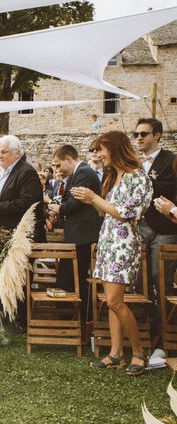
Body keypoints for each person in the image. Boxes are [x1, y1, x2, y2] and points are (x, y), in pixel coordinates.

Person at [72, 130, 153, 376]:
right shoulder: (113, 176)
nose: (97, 155)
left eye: (101, 149)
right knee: (110, 302)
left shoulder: (136, 176)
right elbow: (108, 211)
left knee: (115, 301)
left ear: (115, 149)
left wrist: (94, 198)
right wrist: (92, 201)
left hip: (124, 245)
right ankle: (115, 354)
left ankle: (139, 353)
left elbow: (127, 213)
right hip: (108, 243)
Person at [0, 135, 46, 332]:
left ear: (17, 153)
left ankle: (21, 320)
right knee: (3, 275)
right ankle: (6, 313)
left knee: (20, 278)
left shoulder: (26, 172)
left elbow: (28, 203)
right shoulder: (5, 172)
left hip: (20, 236)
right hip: (4, 233)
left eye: (4, 152)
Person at [133, 118, 177, 341]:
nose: (138, 138)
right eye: (136, 134)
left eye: (143, 134)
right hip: (142, 225)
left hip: (165, 227)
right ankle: (147, 325)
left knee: (161, 277)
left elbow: (170, 187)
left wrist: (144, 180)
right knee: (141, 277)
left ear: (157, 135)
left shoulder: (171, 160)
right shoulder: (136, 163)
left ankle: (166, 331)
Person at [48, 145, 102, 322]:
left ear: (68, 159)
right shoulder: (77, 174)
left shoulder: (84, 173)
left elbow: (74, 204)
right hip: (77, 233)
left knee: (74, 276)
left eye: (58, 164)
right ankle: (70, 315)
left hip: (83, 235)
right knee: (68, 275)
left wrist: (58, 208)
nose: (57, 170)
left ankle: (79, 317)